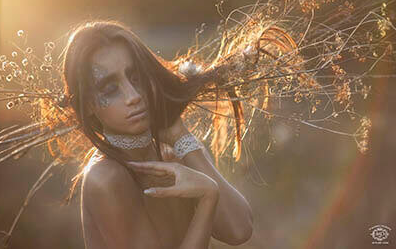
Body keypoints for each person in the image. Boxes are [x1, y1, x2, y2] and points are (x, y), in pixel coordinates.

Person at [61, 20, 254, 249]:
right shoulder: (106, 177)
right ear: (88, 103)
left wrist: (180, 135)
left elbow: (239, 230)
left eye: (136, 78)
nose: (133, 96)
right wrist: (207, 198)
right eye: (110, 89)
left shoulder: (173, 152)